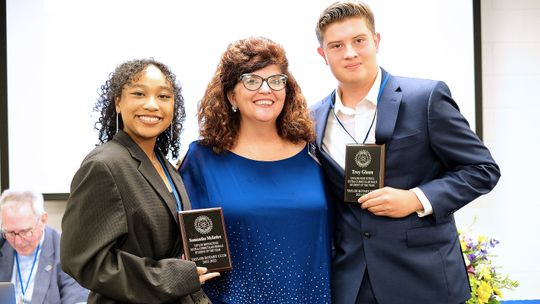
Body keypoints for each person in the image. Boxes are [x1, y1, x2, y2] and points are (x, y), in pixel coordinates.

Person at [311, 2, 501, 304]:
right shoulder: (313, 118)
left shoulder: (425, 98)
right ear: (323, 54)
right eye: (337, 45)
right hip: (351, 283)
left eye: (359, 40)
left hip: (423, 278)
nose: (349, 53)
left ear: (376, 41)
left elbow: (482, 169)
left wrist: (415, 198)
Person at [179, 37, 332, 304]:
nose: (266, 90)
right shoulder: (201, 159)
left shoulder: (315, 154)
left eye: (276, 81)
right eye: (251, 81)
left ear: (287, 90)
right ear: (230, 94)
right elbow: (183, 238)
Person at [60, 58, 219, 304]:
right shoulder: (104, 165)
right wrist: (170, 278)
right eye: (138, 93)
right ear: (118, 103)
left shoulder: (164, 165)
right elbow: (83, 260)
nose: (152, 105)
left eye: (164, 97)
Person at [0, 189, 89, 304]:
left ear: (43, 220)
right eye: (11, 232)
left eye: (25, 231)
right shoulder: (2, 242)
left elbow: (77, 299)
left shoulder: (67, 250)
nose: (18, 241)